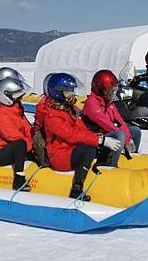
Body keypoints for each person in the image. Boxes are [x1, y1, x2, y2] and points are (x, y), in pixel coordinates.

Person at [37, 73, 121, 201]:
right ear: (58, 92)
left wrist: (98, 138)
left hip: (71, 149)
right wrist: (100, 140)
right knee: (89, 150)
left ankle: (107, 171)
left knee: (94, 146)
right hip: (59, 155)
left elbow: (82, 130)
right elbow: (71, 135)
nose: (72, 94)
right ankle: (77, 188)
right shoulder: (51, 116)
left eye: (72, 91)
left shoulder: (69, 109)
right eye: (68, 91)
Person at [82, 70, 142, 167]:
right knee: (120, 135)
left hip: (106, 135)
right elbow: (107, 125)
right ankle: (111, 165)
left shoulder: (109, 103)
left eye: (113, 90)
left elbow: (120, 122)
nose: (111, 93)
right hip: (95, 140)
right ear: (100, 89)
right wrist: (126, 140)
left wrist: (129, 139)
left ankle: (131, 160)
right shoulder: (91, 104)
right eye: (109, 90)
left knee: (135, 131)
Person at [0, 77, 34, 191]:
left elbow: (27, 129)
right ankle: (19, 181)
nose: (20, 97)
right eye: (16, 95)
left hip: (13, 149)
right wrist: (31, 146)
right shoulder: (2, 115)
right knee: (20, 144)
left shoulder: (17, 111)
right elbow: (15, 137)